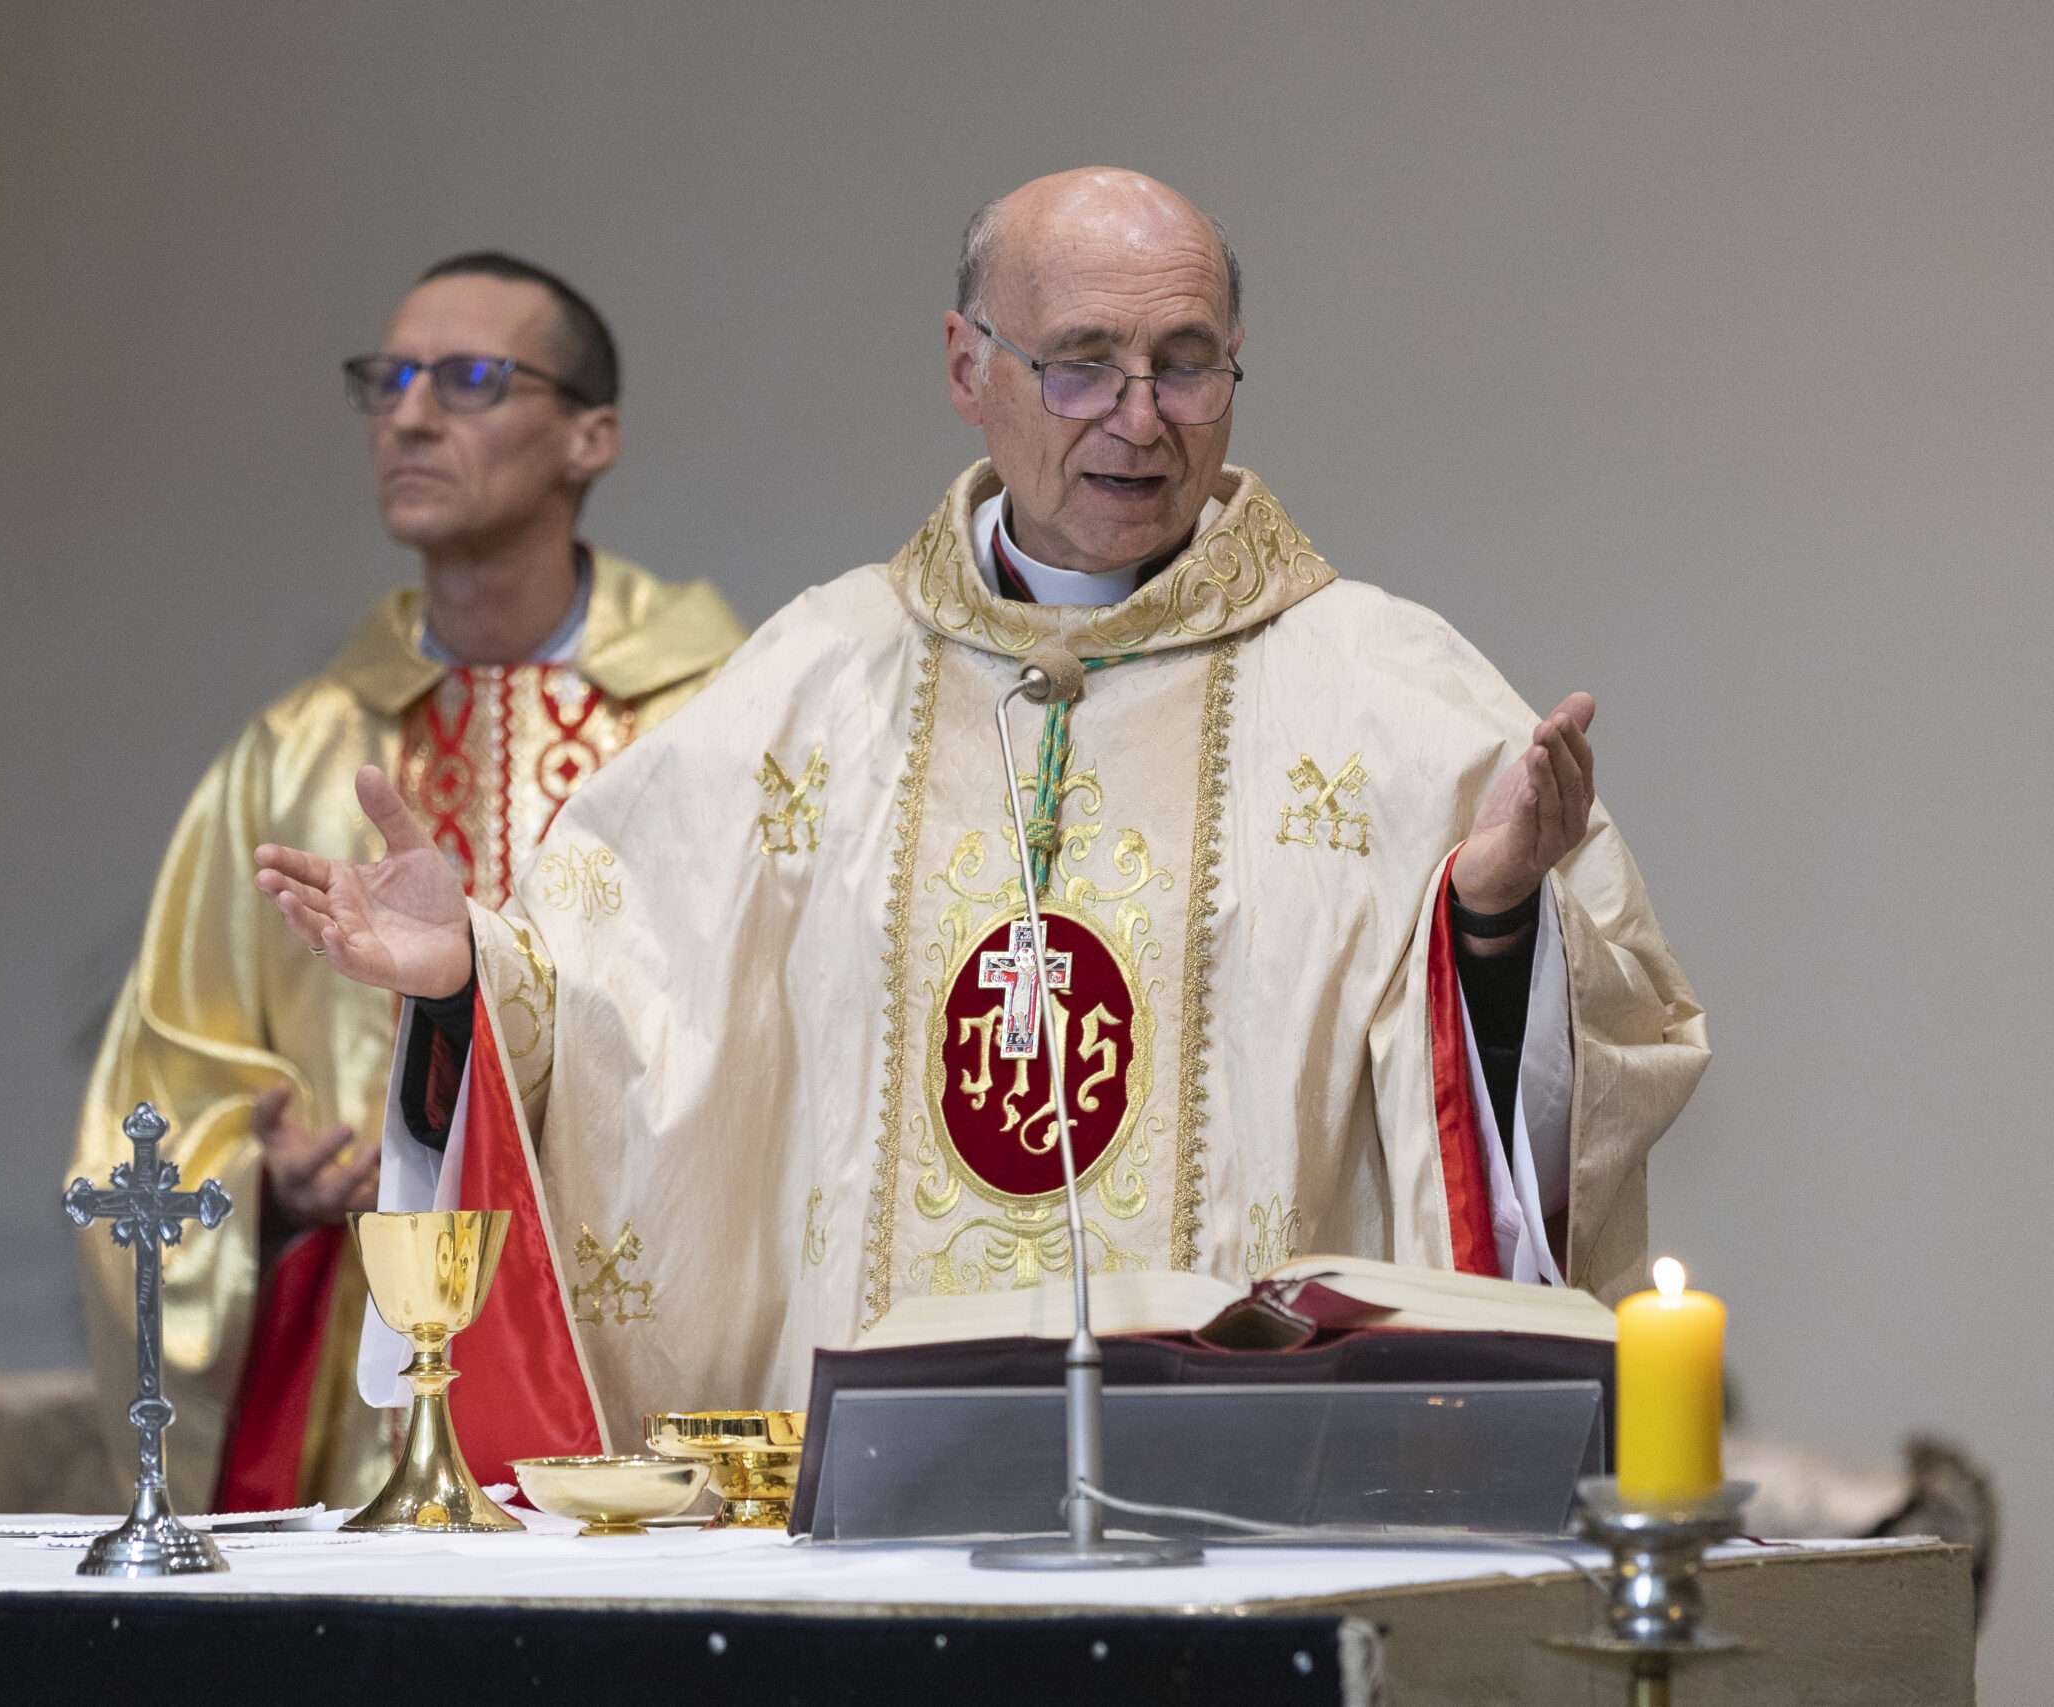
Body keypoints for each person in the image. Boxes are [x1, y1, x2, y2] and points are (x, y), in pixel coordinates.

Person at [253, 171, 1709, 1449]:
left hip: (1244, 1486)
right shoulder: (819, 680)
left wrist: (1493, 924)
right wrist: (468, 979)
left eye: (1186, 365)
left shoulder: (1389, 693)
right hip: (885, 1480)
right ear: (967, 364)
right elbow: (617, 1008)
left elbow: (1596, 1063)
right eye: (1081, 365)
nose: (1140, 418)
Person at [71, 251, 744, 1512]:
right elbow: (160, 1086)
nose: (410, 417)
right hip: (358, 1387)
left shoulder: (713, 728)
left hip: (622, 1358)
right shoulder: (292, 757)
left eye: (470, 380)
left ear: (590, 437)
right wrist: (263, 1177)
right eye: (386, 382)